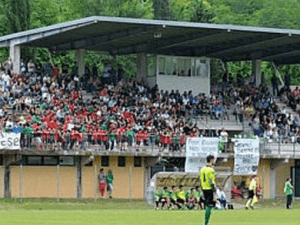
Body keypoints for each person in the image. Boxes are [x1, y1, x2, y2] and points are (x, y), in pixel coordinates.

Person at [199, 155, 216, 225]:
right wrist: (214, 191)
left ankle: (206, 222)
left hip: (204, 188)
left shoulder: (202, 169)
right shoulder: (211, 170)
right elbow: (211, 181)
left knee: (207, 205)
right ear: (211, 160)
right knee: (209, 205)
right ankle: (206, 222)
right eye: (214, 160)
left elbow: (200, 180)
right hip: (209, 189)